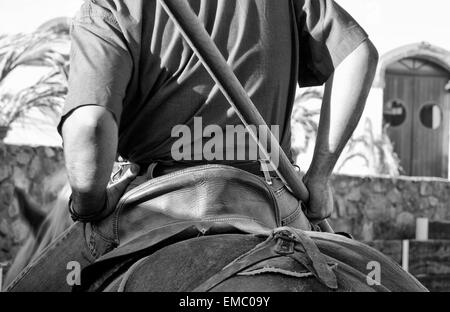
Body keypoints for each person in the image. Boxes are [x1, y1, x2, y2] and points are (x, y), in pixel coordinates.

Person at [7, 0, 378, 291]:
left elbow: (89, 127)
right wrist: (318, 178)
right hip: (271, 196)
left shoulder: (110, 7)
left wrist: (88, 203)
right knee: (368, 273)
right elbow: (359, 55)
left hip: (155, 198)